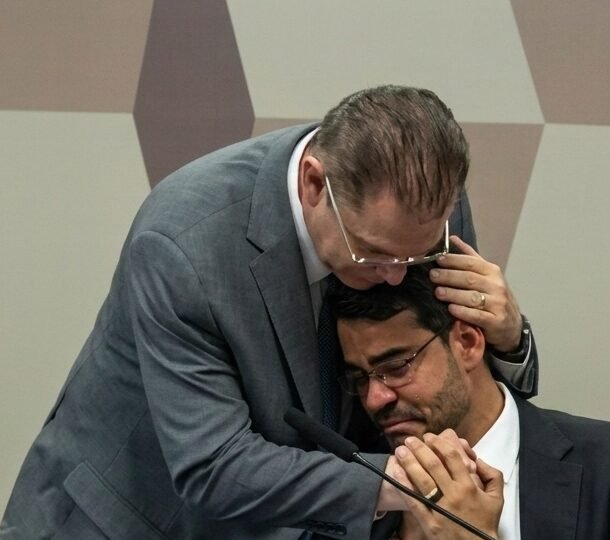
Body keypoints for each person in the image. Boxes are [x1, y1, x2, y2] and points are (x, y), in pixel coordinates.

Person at [1, 85, 537, 539]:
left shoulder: (425, 212)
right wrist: (409, 482)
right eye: (373, 254)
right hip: (136, 522)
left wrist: (511, 339)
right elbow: (215, 467)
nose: (398, 276)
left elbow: (452, 369)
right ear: (313, 184)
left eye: (412, 257)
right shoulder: (184, 246)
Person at [329, 265, 610, 540]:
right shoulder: (348, 477)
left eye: (397, 366)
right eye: (360, 378)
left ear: (467, 342)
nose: (375, 398)